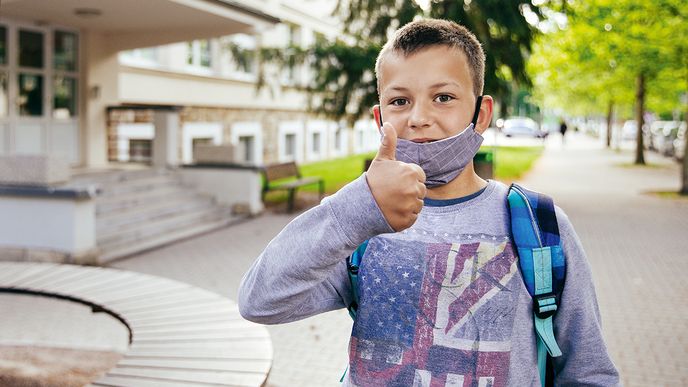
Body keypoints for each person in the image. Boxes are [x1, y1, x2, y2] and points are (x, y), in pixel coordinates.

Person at [239, 19, 620, 386]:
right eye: (400, 100)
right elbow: (260, 302)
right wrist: (357, 208)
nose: (419, 118)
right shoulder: (359, 225)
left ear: (481, 113)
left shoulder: (539, 224)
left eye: (443, 97)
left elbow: (588, 372)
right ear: (379, 118)